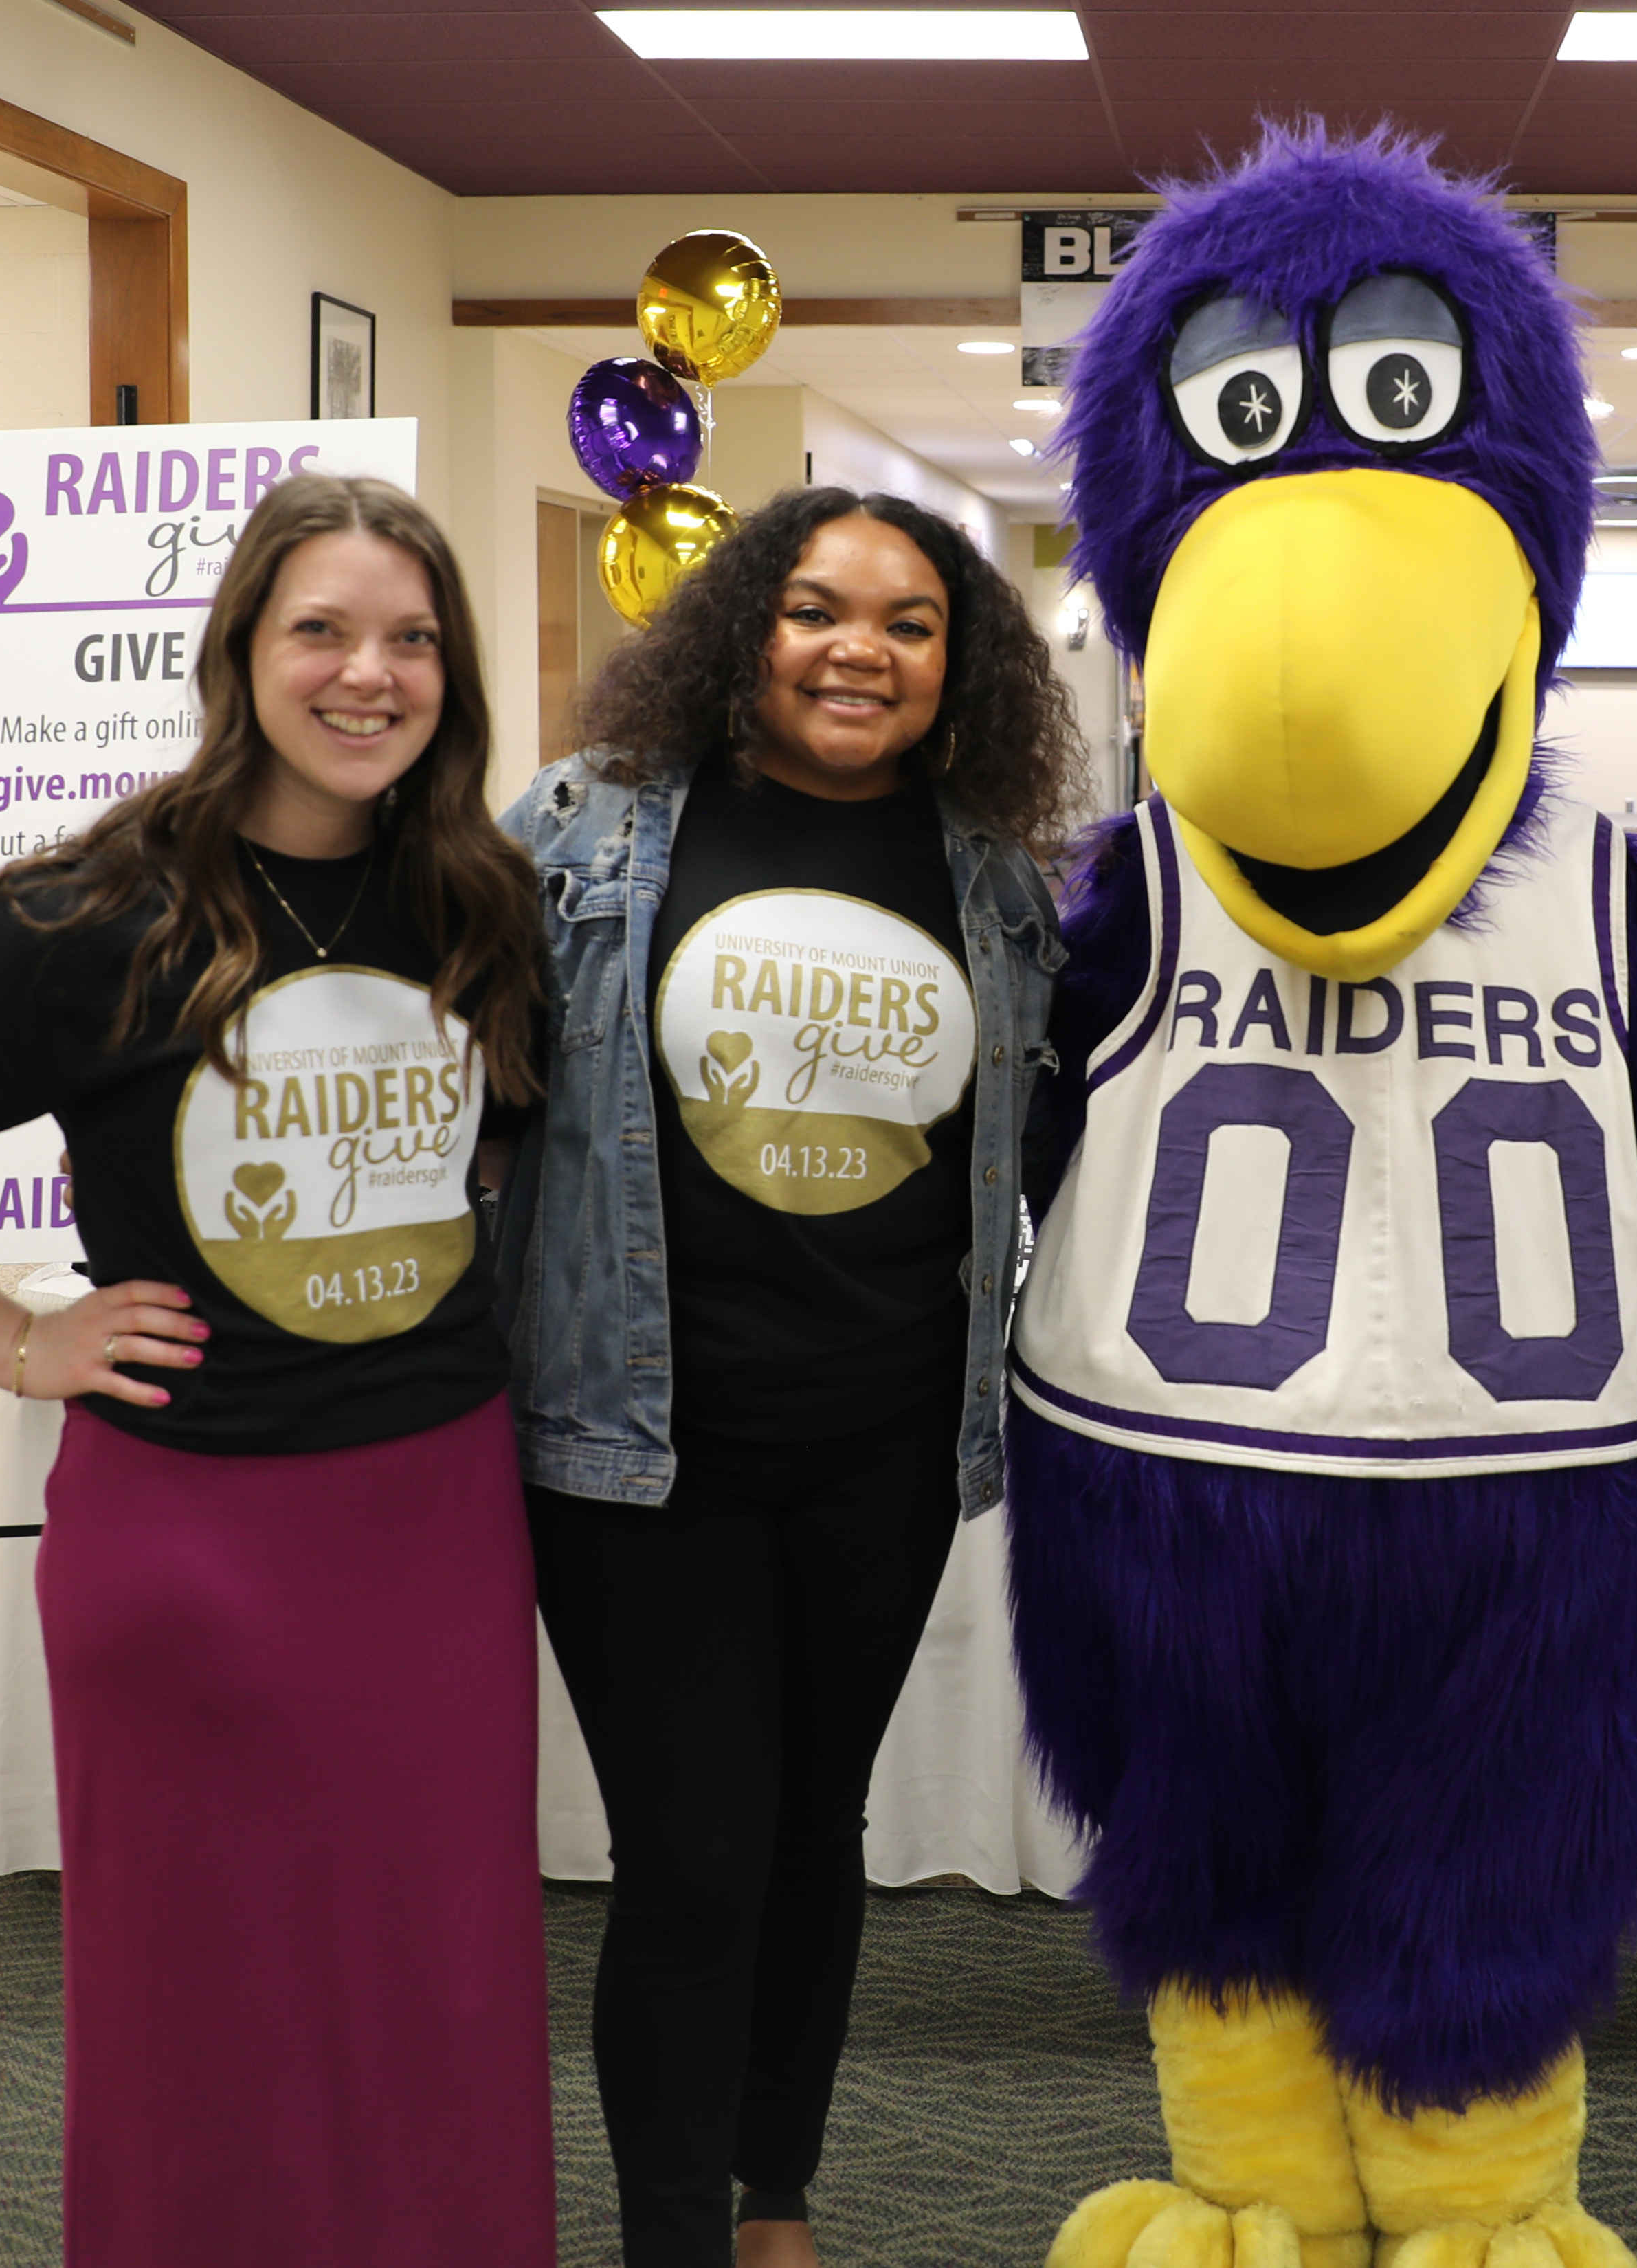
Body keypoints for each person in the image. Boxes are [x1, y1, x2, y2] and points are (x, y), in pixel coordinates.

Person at [0, 474, 555, 2267]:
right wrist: (11, 1335)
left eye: (411, 637)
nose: (370, 673)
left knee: (444, 1978)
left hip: (431, 1516)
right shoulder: (102, 906)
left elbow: (493, 1156)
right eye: (321, 632)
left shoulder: (478, 895)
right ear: (241, 654)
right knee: (201, 2012)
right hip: (193, 1546)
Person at [496, 487, 1077, 2268]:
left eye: (908, 624)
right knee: (691, 1860)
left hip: (884, 1439)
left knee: (813, 1828)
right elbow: (465, 1084)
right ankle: (671, 2236)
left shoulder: (990, 874)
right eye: (818, 608)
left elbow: (1043, 1135)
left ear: (955, 668)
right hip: (639, 1438)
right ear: (746, 625)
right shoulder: (585, 831)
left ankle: (775, 2203)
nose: (859, 649)